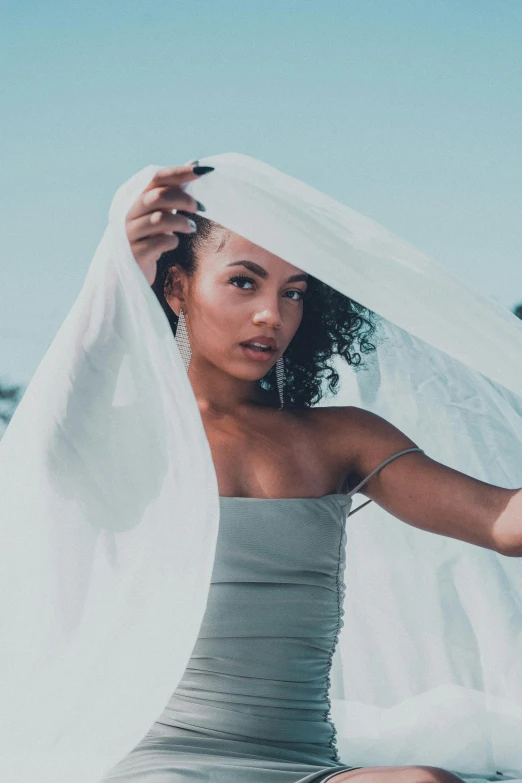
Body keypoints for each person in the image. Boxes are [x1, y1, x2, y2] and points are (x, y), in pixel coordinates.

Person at [97, 161, 522, 783]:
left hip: (302, 767)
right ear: (175, 287)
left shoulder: (342, 437)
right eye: (244, 282)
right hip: (158, 765)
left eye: (293, 292)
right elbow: (51, 436)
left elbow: (503, 523)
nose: (272, 314)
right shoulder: (121, 435)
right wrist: (120, 278)